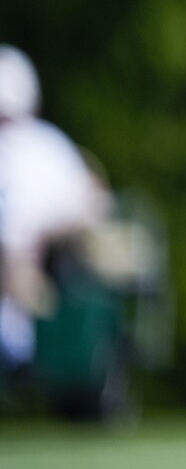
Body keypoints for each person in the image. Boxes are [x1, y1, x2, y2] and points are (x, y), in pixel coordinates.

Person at [0, 45, 112, 375]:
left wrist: (49, 235)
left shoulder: (45, 146)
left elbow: (92, 202)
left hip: (51, 270)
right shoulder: (51, 144)